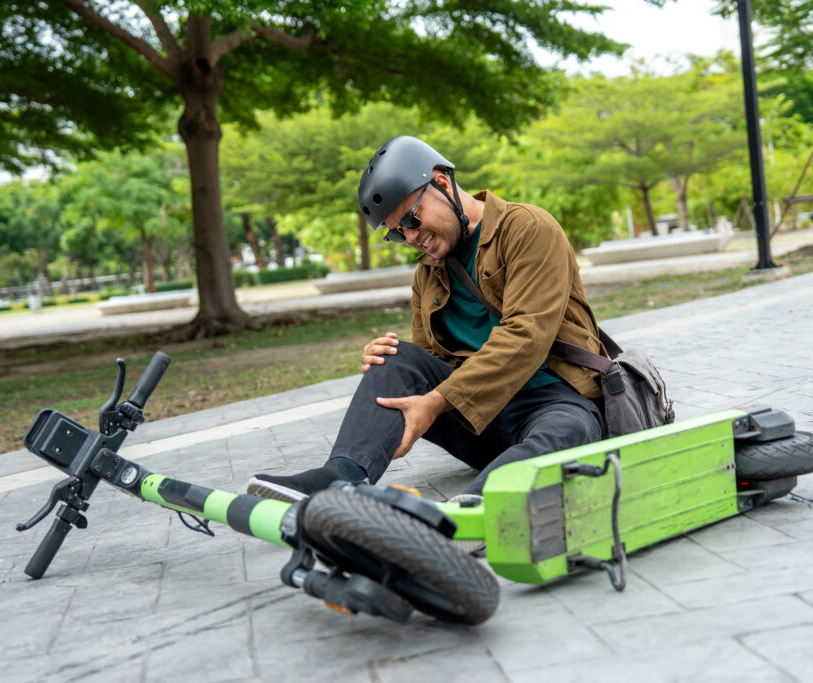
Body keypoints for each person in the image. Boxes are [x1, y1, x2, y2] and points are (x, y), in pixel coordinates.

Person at [246, 136, 608, 505]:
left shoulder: (528, 228)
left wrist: (435, 401)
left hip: (555, 402)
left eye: (411, 219)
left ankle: (475, 507)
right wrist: (392, 362)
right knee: (395, 357)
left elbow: (526, 337)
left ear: (441, 182)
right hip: (482, 420)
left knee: (568, 431)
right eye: (398, 233)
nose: (412, 238)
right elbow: (432, 361)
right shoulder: (428, 274)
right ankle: (342, 476)